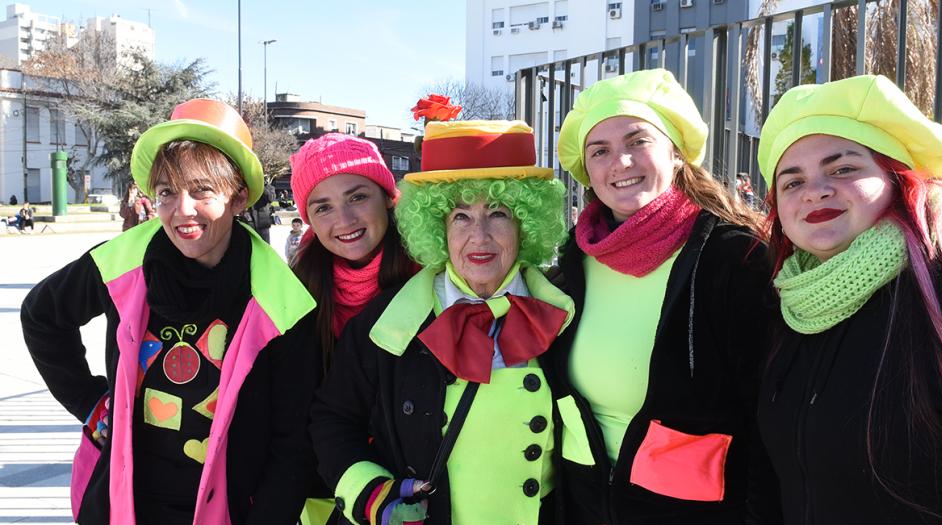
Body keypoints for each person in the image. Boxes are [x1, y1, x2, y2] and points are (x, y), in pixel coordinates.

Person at [20, 98, 320, 525]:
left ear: (237, 198)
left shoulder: (281, 301)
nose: (182, 210)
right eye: (166, 192)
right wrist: (89, 401)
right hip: (126, 503)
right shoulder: (122, 259)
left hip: (228, 509)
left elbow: (292, 445)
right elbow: (41, 315)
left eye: (201, 190)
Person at [757, 75, 942, 524]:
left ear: (897, 176)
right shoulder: (790, 300)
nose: (815, 190)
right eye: (792, 182)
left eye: (843, 168)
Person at [310, 120, 572, 525]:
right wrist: (370, 493)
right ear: (438, 228)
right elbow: (332, 419)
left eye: (498, 213)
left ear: (525, 222)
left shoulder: (563, 314)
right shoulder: (386, 324)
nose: (479, 236)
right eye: (461, 217)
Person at [548, 68, 776, 524]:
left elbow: (767, 422)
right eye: (600, 150)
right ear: (587, 171)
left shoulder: (734, 259)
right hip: (587, 506)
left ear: (676, 154)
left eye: (637, 141)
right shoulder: (571, 266)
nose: (621, 162)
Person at [288, 132, 417, 525]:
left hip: (417, 484)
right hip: (332, 488)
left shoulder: (429, 276)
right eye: (322, 207)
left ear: (387, 198)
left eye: (357, 197)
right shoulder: (299, 289)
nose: (343, 221)